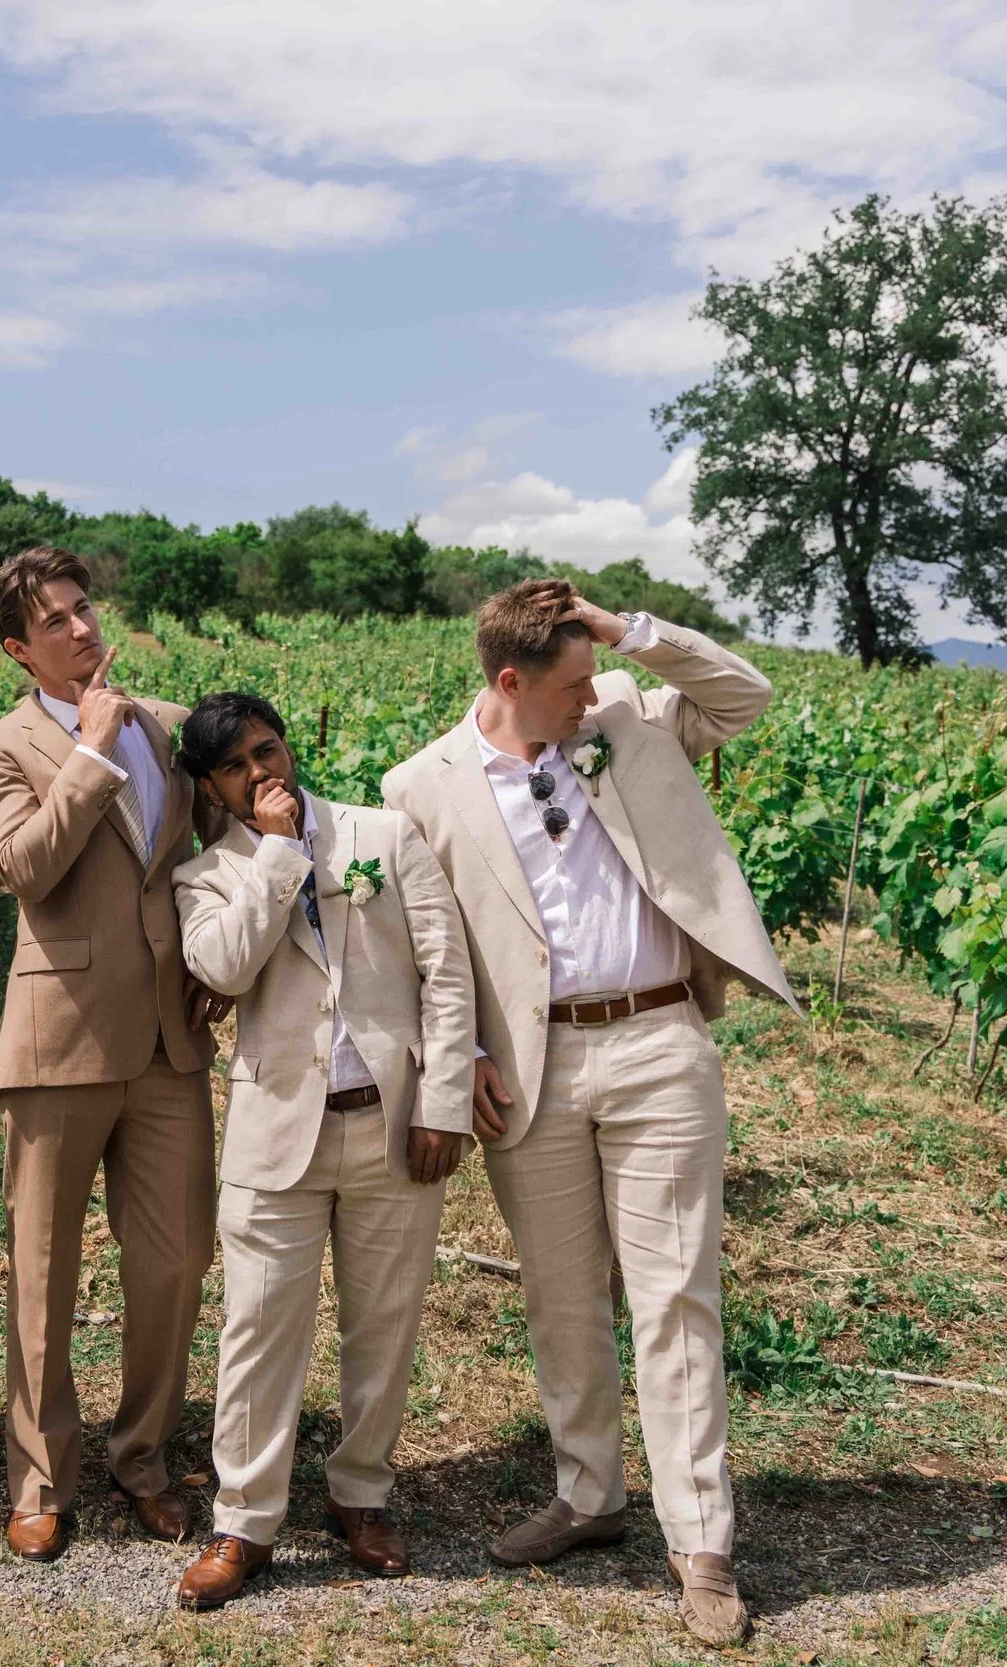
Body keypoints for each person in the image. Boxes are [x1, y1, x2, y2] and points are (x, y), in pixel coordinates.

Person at [381, 579, 796, 1648]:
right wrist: (459, 1051)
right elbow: (425, 942)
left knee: (674, 1297)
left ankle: (699, 1538)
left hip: (660, 1039)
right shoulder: (419, 784)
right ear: (508, 682)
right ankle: (588, 1491)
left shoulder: (627, 711)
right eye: (568, 682)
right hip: (531, 1064)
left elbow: (744, 695)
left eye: (593, 673)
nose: (588, 693)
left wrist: (625, 634)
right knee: (561, 1299)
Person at [167, 693, 476, 1611]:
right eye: (237, 767)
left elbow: (445, 973)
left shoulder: (386, 834)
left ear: (290, 745)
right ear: (214, 789)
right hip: (275, 1132)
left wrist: (445, 1102)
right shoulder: (208, 875)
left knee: (383, 1323)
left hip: (391, 1119)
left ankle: (362, 1493)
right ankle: (245, 1520)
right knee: (258, 1331)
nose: (263, 773)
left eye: (269, 750)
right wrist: (276, 854)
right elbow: (221, 969)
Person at [0, 545, 229, 1560]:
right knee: (43, 1270)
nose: (81, 627)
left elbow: (215, 842)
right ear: (17, 647)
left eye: (85, 607)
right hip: (58, 1034)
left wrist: (224, 957)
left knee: (174, 1261)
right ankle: (38, 1474)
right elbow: (24, 865)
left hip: (170, 1034)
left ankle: (144, 1453)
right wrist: (88, 752)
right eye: (55, 619)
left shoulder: (164, 723)